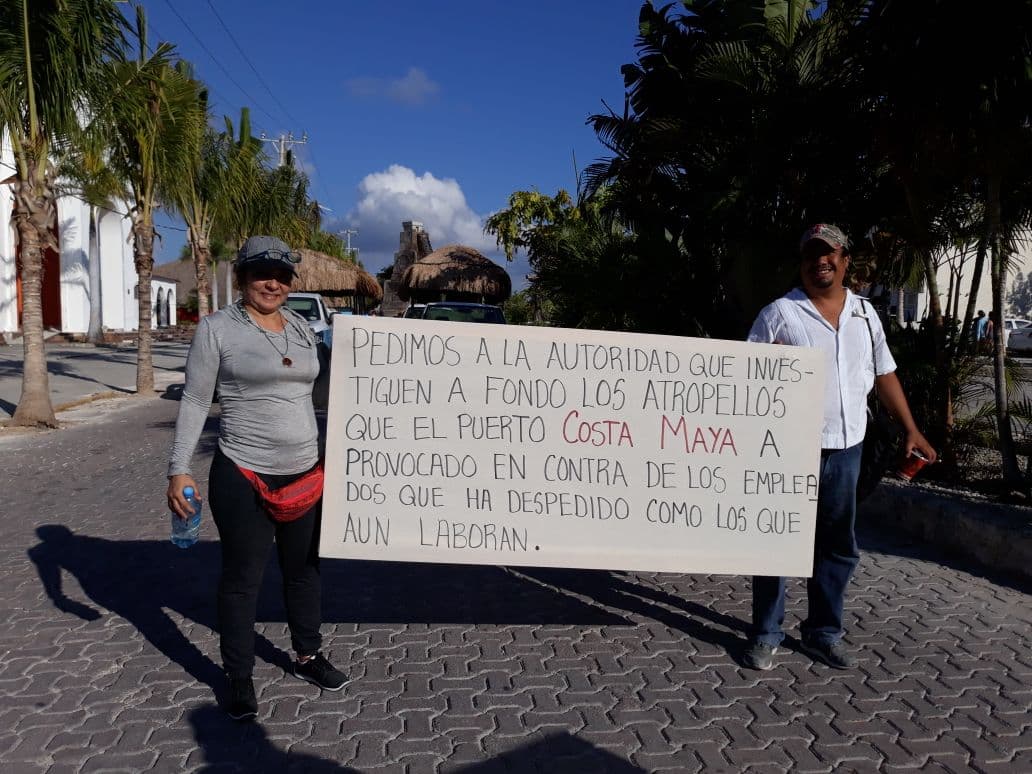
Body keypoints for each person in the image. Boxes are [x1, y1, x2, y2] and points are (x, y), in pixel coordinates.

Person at [166, 236, 346, 721]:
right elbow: (195, 400)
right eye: (263, 273)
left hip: (305, 472)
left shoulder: (303, 330)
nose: (273, 283)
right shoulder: (216, 329)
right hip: (243, 471)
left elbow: (325, 390)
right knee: (243, 579)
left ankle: (307, 656)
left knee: (304, 571)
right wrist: (179, 467)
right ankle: (239, 677)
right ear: (243, 276)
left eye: (283, 276)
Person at [743, 224, 937, 671]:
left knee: (837, 544)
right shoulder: (780, 314)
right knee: (776, 542)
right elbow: (748, 378)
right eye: (811, 254)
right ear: (802, 263)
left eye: (829, 253)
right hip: (789, 451)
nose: (820, 261)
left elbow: (884, 373)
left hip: (848, 449)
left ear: (845, 260)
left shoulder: (865, 315)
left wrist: (911, 428)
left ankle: (823, 633)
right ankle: (766, 633)